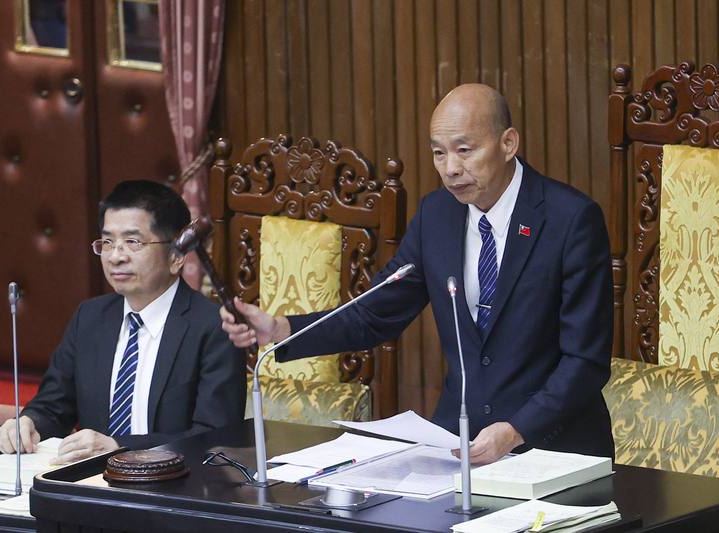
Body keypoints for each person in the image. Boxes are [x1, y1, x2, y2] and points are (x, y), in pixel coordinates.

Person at [221, 84, 613, 464]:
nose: (451, 169)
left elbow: (585, 360)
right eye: (439, 154)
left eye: (465, 150)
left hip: (554, 448)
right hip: (459, 443)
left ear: (508, 143)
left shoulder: (570, 219)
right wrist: (283, 329)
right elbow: (375, 312)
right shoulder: (437, 215)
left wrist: (516, 429)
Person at [0, 180, 245, 463]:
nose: (115, 256)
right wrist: (28, 423)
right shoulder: (89, 317)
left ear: (176, 256)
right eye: (108, 242)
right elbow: (53, 407)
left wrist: (118, 446)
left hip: (177, 490)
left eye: (133, 242)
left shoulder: (214, 327)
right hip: (90, 487)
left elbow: (215, 437)